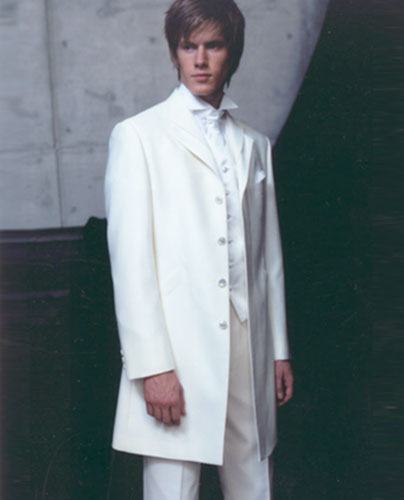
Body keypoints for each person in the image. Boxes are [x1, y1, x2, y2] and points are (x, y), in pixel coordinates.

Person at [104, 0, 294, 498]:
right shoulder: (139, 137)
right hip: (178, 353)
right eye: (189, 47)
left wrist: (277, 350)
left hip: (249, 348)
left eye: (214, 45)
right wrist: (152, 367)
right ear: (175, 53)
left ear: (233, 53)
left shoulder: (255, 144)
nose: (201, 60)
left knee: (254, 486)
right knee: (173, 490)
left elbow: (268, 260)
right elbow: (131, 265)